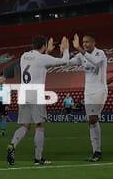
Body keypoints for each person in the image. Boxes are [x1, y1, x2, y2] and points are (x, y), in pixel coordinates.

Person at [6, 35, 70, 166]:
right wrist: (66, 49)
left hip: (23, 93)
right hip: (36, 94)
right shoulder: (43, 58)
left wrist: (47, 52)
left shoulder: (24, 56)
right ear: (44, 45)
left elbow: (38, 62)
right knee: (39, 126)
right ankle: (38, 158)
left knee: (24, 126)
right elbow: (64, 61)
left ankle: (12, 144)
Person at [69, 33, 108, 162]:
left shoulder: (100, 53)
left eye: (87, 42)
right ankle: (96, 151)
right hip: (88, 92)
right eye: (83, 42)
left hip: (100, 90)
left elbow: (95, 62)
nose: (85, 44)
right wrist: (64, 52)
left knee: (93, 119)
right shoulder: (81, 56)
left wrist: (79, 49)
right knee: (91, 121)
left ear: (93, 42)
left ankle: (97, 152)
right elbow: (68, 63)